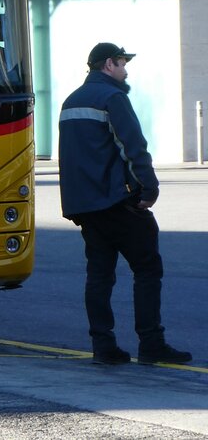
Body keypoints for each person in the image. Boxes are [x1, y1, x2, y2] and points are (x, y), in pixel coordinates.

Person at [58, 42, 192, 366]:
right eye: (122, 62)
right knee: (147, 268)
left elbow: (70, 159)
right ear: (108, 65)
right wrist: (149, 188)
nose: (126, 69)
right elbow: (133, 146)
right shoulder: (112, 97)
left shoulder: (70, 102)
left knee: (99, 275)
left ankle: (103, 347)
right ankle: (152, 343)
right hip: (117, 202)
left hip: (87, 207)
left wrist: (75, 204)